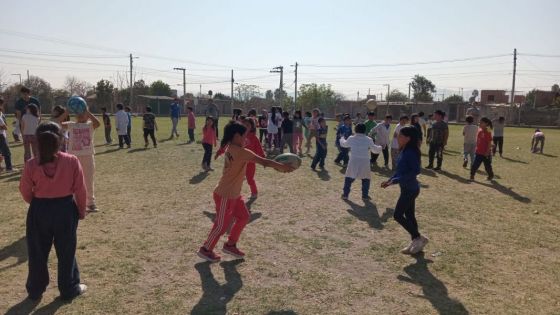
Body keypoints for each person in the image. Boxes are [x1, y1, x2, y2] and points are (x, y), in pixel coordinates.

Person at [197, 121, 294, 262]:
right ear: (236, 136)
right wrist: (283, 167)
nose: (246, 139)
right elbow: (265, 162)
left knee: (244, 217)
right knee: (221, 225)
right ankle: (206, 249)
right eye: (244, 136)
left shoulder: (231, 147)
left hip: (234, 194)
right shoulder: (241, 152)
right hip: (225, 194)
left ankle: (230, 245)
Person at [19, 121, 88, 300]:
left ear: (37, 142)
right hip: (65, 210)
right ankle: (69, 288)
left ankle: (35, 289)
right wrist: (81, 210)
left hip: (40, 209)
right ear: (60, 140)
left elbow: (25, 191)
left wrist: (37, 204)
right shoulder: (72, 161)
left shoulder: (31, 164)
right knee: (67, 251)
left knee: (37, 251)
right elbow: (80, 189)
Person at [381, 126, 428, 255]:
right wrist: (390, 180)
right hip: (407, 188)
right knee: (410, 215)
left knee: (397, 215)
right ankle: (416, 242)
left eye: (400, 136)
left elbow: (415, 171)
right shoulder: (405, 150)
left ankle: (418, 238)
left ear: (408, 138)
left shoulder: (411, 152)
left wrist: (395, 181)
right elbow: (400, 171)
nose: (398, 138)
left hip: (410, 189)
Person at [64, 105, 101, 212]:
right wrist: (67, 112)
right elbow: (56, 122)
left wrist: (88, 112)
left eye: (82, 112)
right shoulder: (71, 125)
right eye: (78, 112)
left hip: (88, 156)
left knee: (88, 180)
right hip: (73, 158)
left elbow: (98, 123)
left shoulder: (90, 125)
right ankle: (74, 203)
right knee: (73, 180)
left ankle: (90, 203)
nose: (80, 115)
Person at [340, 123, 382, 200]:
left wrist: (342, 138)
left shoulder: (351, 138)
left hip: (354, 160)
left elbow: (344, 144)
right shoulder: (368, 139)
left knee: (349, 177)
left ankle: (345, 195)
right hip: (365, 161)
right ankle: (365, 195)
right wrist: (380, 147)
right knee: (366, 178)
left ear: (355, 130)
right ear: (365, 130)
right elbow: (374, 150)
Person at [241, 117, 265, 199]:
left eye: (247, 125)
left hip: (251, 163)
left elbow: (259, 150)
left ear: (252, 127)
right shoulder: (239, 136)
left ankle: (254, 192)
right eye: (244, 125)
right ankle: (235, 194)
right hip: (239, 162)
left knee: (250, 179)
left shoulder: (254, 138)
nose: (245, 127)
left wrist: (263, 159)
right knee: (236, 178)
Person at [470, 117, 494, 181]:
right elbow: (478, 140)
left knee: (487, 166)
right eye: (479, 122)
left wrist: (487, 152)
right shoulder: (479, 130)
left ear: (486, 124)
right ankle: (472, 176)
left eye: (481, 122)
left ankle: (490, 175)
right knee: (475, 165)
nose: (480, 123)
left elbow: (489, 143)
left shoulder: (488, 131)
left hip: (486, 153)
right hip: (478, 152)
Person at [0, 99, 15, 172]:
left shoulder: (1, 114)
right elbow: (4, 127)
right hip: (1, 135)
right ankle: (9, 168)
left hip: (2, 135)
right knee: (6, 152)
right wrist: (4, 126)